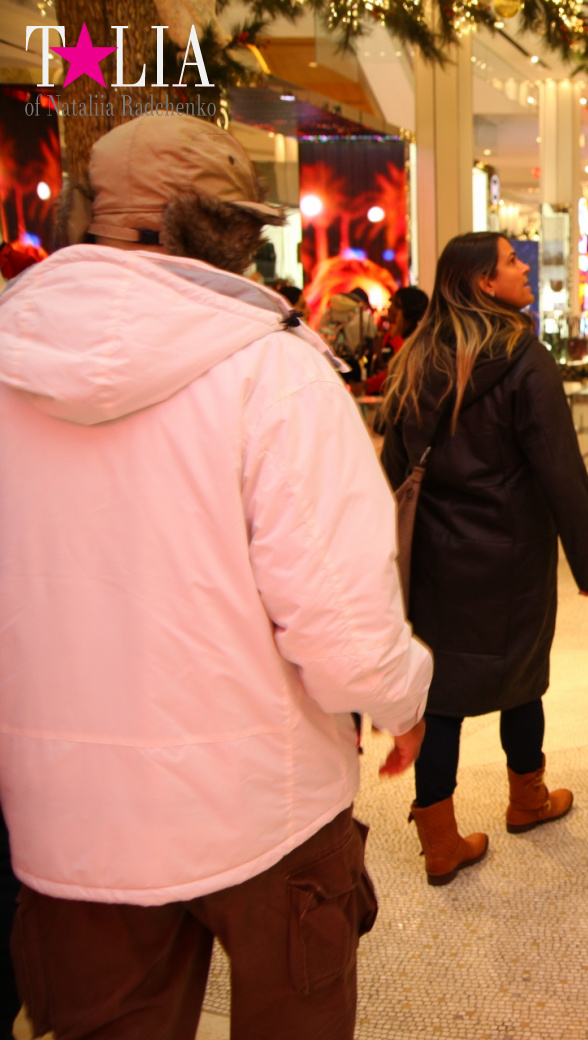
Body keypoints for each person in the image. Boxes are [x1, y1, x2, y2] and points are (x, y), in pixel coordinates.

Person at [0, 112, 430, 1037]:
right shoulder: (277, 374)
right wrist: (399, 700)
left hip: (64, 817)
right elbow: (336, 611)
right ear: (225, 230)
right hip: (264, 803)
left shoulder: (8, 363)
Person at [381, 232, 588, 885]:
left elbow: (393, 469)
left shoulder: (416, 356)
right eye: (513, 262)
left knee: (442, 690)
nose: (523, 270)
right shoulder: (522, 357)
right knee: (522, 672)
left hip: (435, 551)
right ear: (485, 281)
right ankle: (527, 798)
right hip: (510, 551)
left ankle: (439, 838)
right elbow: (559, 466)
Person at [364, 285, 429, 395]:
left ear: (404, 311)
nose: (390, 308)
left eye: (394, 305)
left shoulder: (417, 341)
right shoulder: (391, 335)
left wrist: (366, 385)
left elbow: (396, 372)